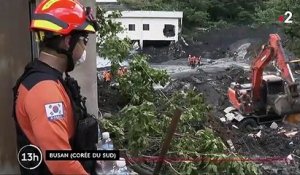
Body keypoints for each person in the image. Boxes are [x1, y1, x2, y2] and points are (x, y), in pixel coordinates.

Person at [12, 0, 99, 174]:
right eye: (83, 39)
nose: (84, 47)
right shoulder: (44, 90)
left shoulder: (49, 80)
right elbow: (60, 163)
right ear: (68, 42)